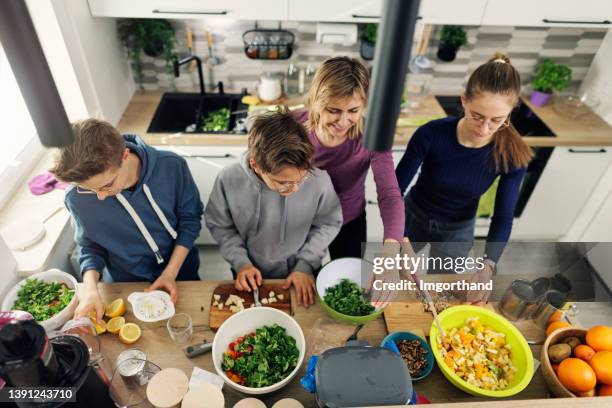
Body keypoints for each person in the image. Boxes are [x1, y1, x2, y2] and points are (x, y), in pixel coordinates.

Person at [395, 53, 533, 301]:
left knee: (442, 293)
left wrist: (488, 265)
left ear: (509, 114)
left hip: (457, 231)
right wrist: (399, 241)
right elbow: (394, 191)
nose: (484, 129)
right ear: (463, 101)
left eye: (497, 120)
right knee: (395, 278)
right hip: (412, 217)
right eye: (477, 116)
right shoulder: (431, 134)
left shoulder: (513, 155)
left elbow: (502, 217)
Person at [50, 119, 203, 321]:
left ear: (124, 155)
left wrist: (170, 273)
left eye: (107, 185)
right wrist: (90, 288)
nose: (101, 197)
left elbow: (190, 220)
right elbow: (90, 247)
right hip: (125, 284)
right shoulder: (76, 198)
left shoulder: (172, 166)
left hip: (182, 272)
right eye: (90, 189)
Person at [204, 110, 342, 307]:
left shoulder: (320, 181)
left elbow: (328, 224)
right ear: (256, 165)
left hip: (302, 272)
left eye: (301, 179)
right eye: (283, 182)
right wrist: (241, 263)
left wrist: (305, 265)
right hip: (249, 271)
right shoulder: (228, 179)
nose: (294, 189)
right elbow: (221, 226)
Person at [295, 56, 405, 259]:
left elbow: (389, 194)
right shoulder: (294, 126)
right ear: (316, 102)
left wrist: (392, 245)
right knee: (303, 284)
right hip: (301, 221)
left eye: (353, 110)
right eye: (333, 110)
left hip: (349, 221)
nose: (344, 121)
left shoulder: (373, 135)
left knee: (349, 281)